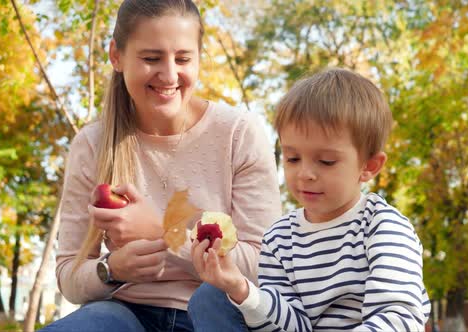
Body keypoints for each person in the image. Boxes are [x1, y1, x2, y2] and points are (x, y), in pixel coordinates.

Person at [39, 0, 281, 331]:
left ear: (198, 59)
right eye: (151, 58)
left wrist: (163, 232)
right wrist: (111, 270)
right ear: (117, 56)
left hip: (216, 313)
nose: (169, 75)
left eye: (183, 59)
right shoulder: (92, 144)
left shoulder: (239, 134)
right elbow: (70, 274)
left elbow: (264, 269)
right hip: (126, 312)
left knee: (208, 302)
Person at [190, 68, 431, 331]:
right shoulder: (279, 238)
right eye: (292, 158)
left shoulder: (383, 227)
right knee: (211, 297)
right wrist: (241, 289)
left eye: (326, 161)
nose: (305, 174)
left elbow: (399, 319)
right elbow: (292, 326)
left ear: (369, 166)